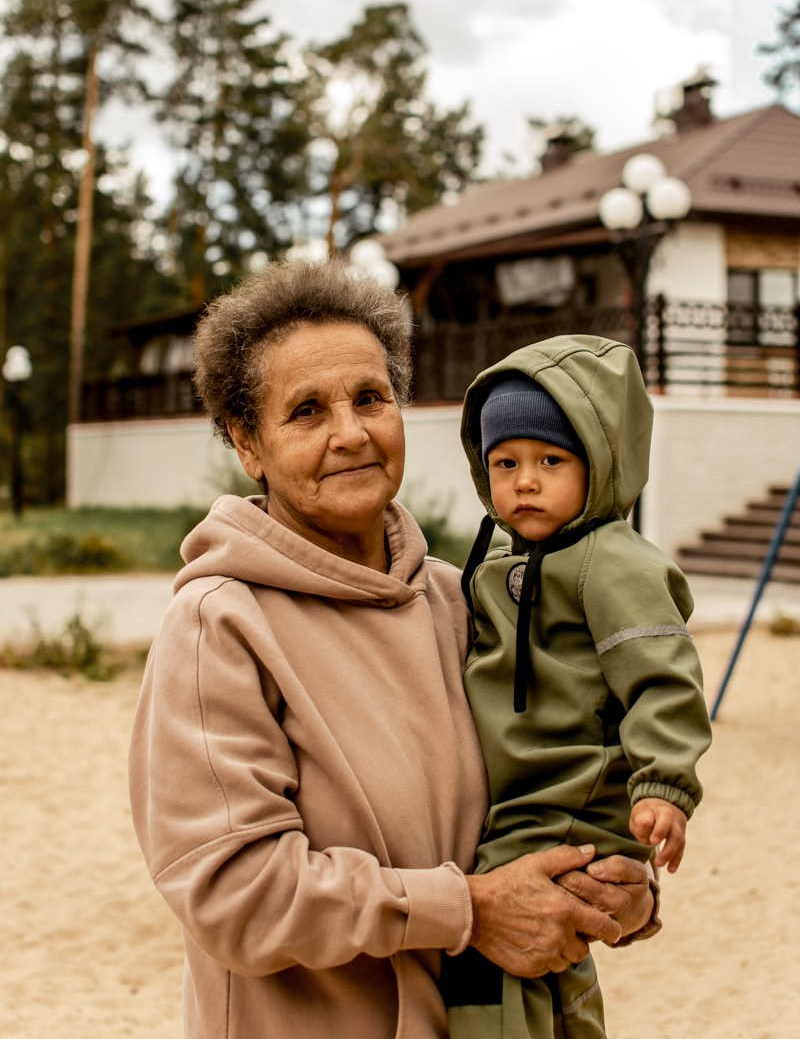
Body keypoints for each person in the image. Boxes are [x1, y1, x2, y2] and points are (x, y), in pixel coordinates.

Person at [128, 268, 658, 1039]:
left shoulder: (465, 600)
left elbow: (563, 770)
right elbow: (235, 892)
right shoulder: (220, 627)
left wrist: (616, 884)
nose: (351, 433)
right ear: (247, 442)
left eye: (371, 398)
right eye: (307, 411)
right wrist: (465, 910)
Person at [445, 333, 712, 1038]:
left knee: (491, 943)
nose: (524, 482)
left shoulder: (613, 563)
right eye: (505, 463)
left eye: (550, 461)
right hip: (525, 798)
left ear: (598, 464)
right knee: (549, 950)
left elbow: (664, 677)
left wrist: (664, 785)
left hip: (570, 793)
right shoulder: (504, 561)